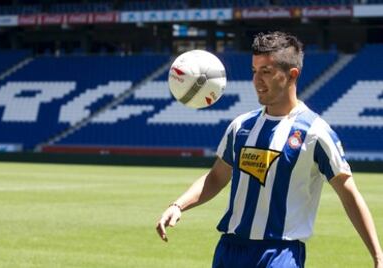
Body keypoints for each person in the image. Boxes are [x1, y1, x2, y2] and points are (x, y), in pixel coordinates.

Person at [156, 31, 383, 268]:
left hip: (279, 254)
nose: (256, 80)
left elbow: (349, 195)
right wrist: (178, 205)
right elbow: (216, 177)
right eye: (254, 71)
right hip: (229, 251)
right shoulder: (241, 126)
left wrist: (378, 257)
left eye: (266, 71)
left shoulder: (315, 132)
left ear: (291, 75)